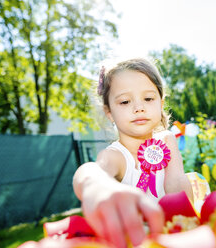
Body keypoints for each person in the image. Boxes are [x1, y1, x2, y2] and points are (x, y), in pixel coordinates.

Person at [72, 58, 193, 248]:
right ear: (109, 112)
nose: (139, 107)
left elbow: (176, 181)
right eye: (125, 101)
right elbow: (91, 171)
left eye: (148, 98)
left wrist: (187, 224)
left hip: (173, 235)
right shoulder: (117, 156)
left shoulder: (166, 140)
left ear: (160, 104)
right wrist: (95, 185)